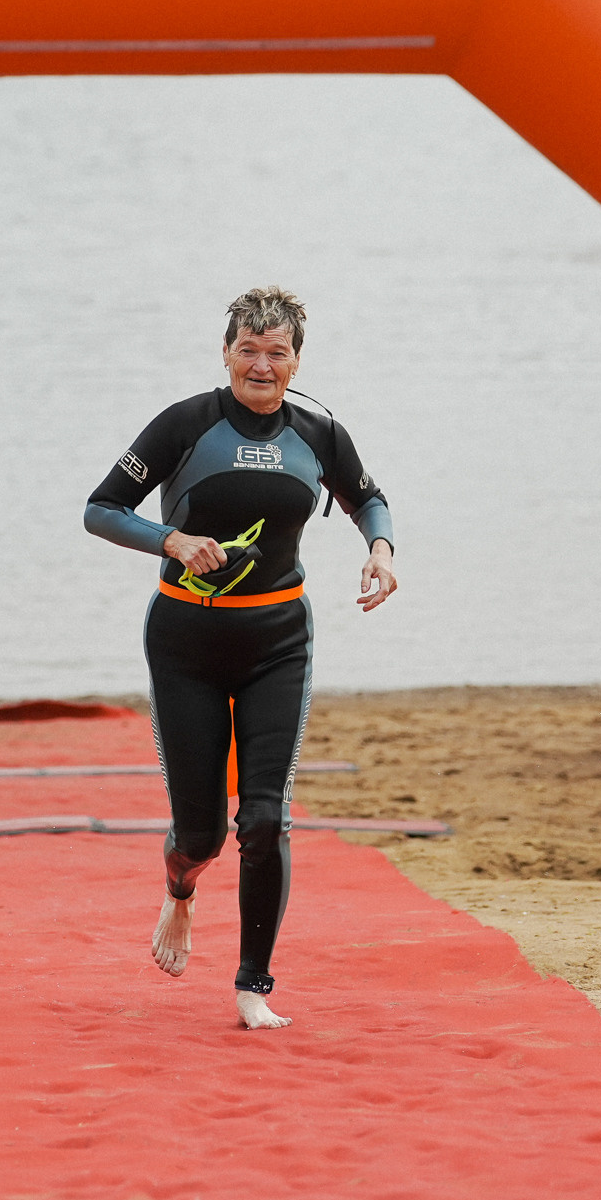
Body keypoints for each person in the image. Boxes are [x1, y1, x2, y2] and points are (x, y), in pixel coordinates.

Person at [85, 286, 396, 1031]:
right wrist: (171, 540)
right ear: (226, 353)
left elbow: (367, 498)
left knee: (264, 818)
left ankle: (253, 984)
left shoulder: (320, 431)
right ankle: (180, 893)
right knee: (201, 835)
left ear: (295, 360)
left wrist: (381, 550)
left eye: (277, 352)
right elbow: (100, 509)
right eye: (248, 350)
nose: (262, 364)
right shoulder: (185, 425)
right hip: (186, 641)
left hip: (277, 642)